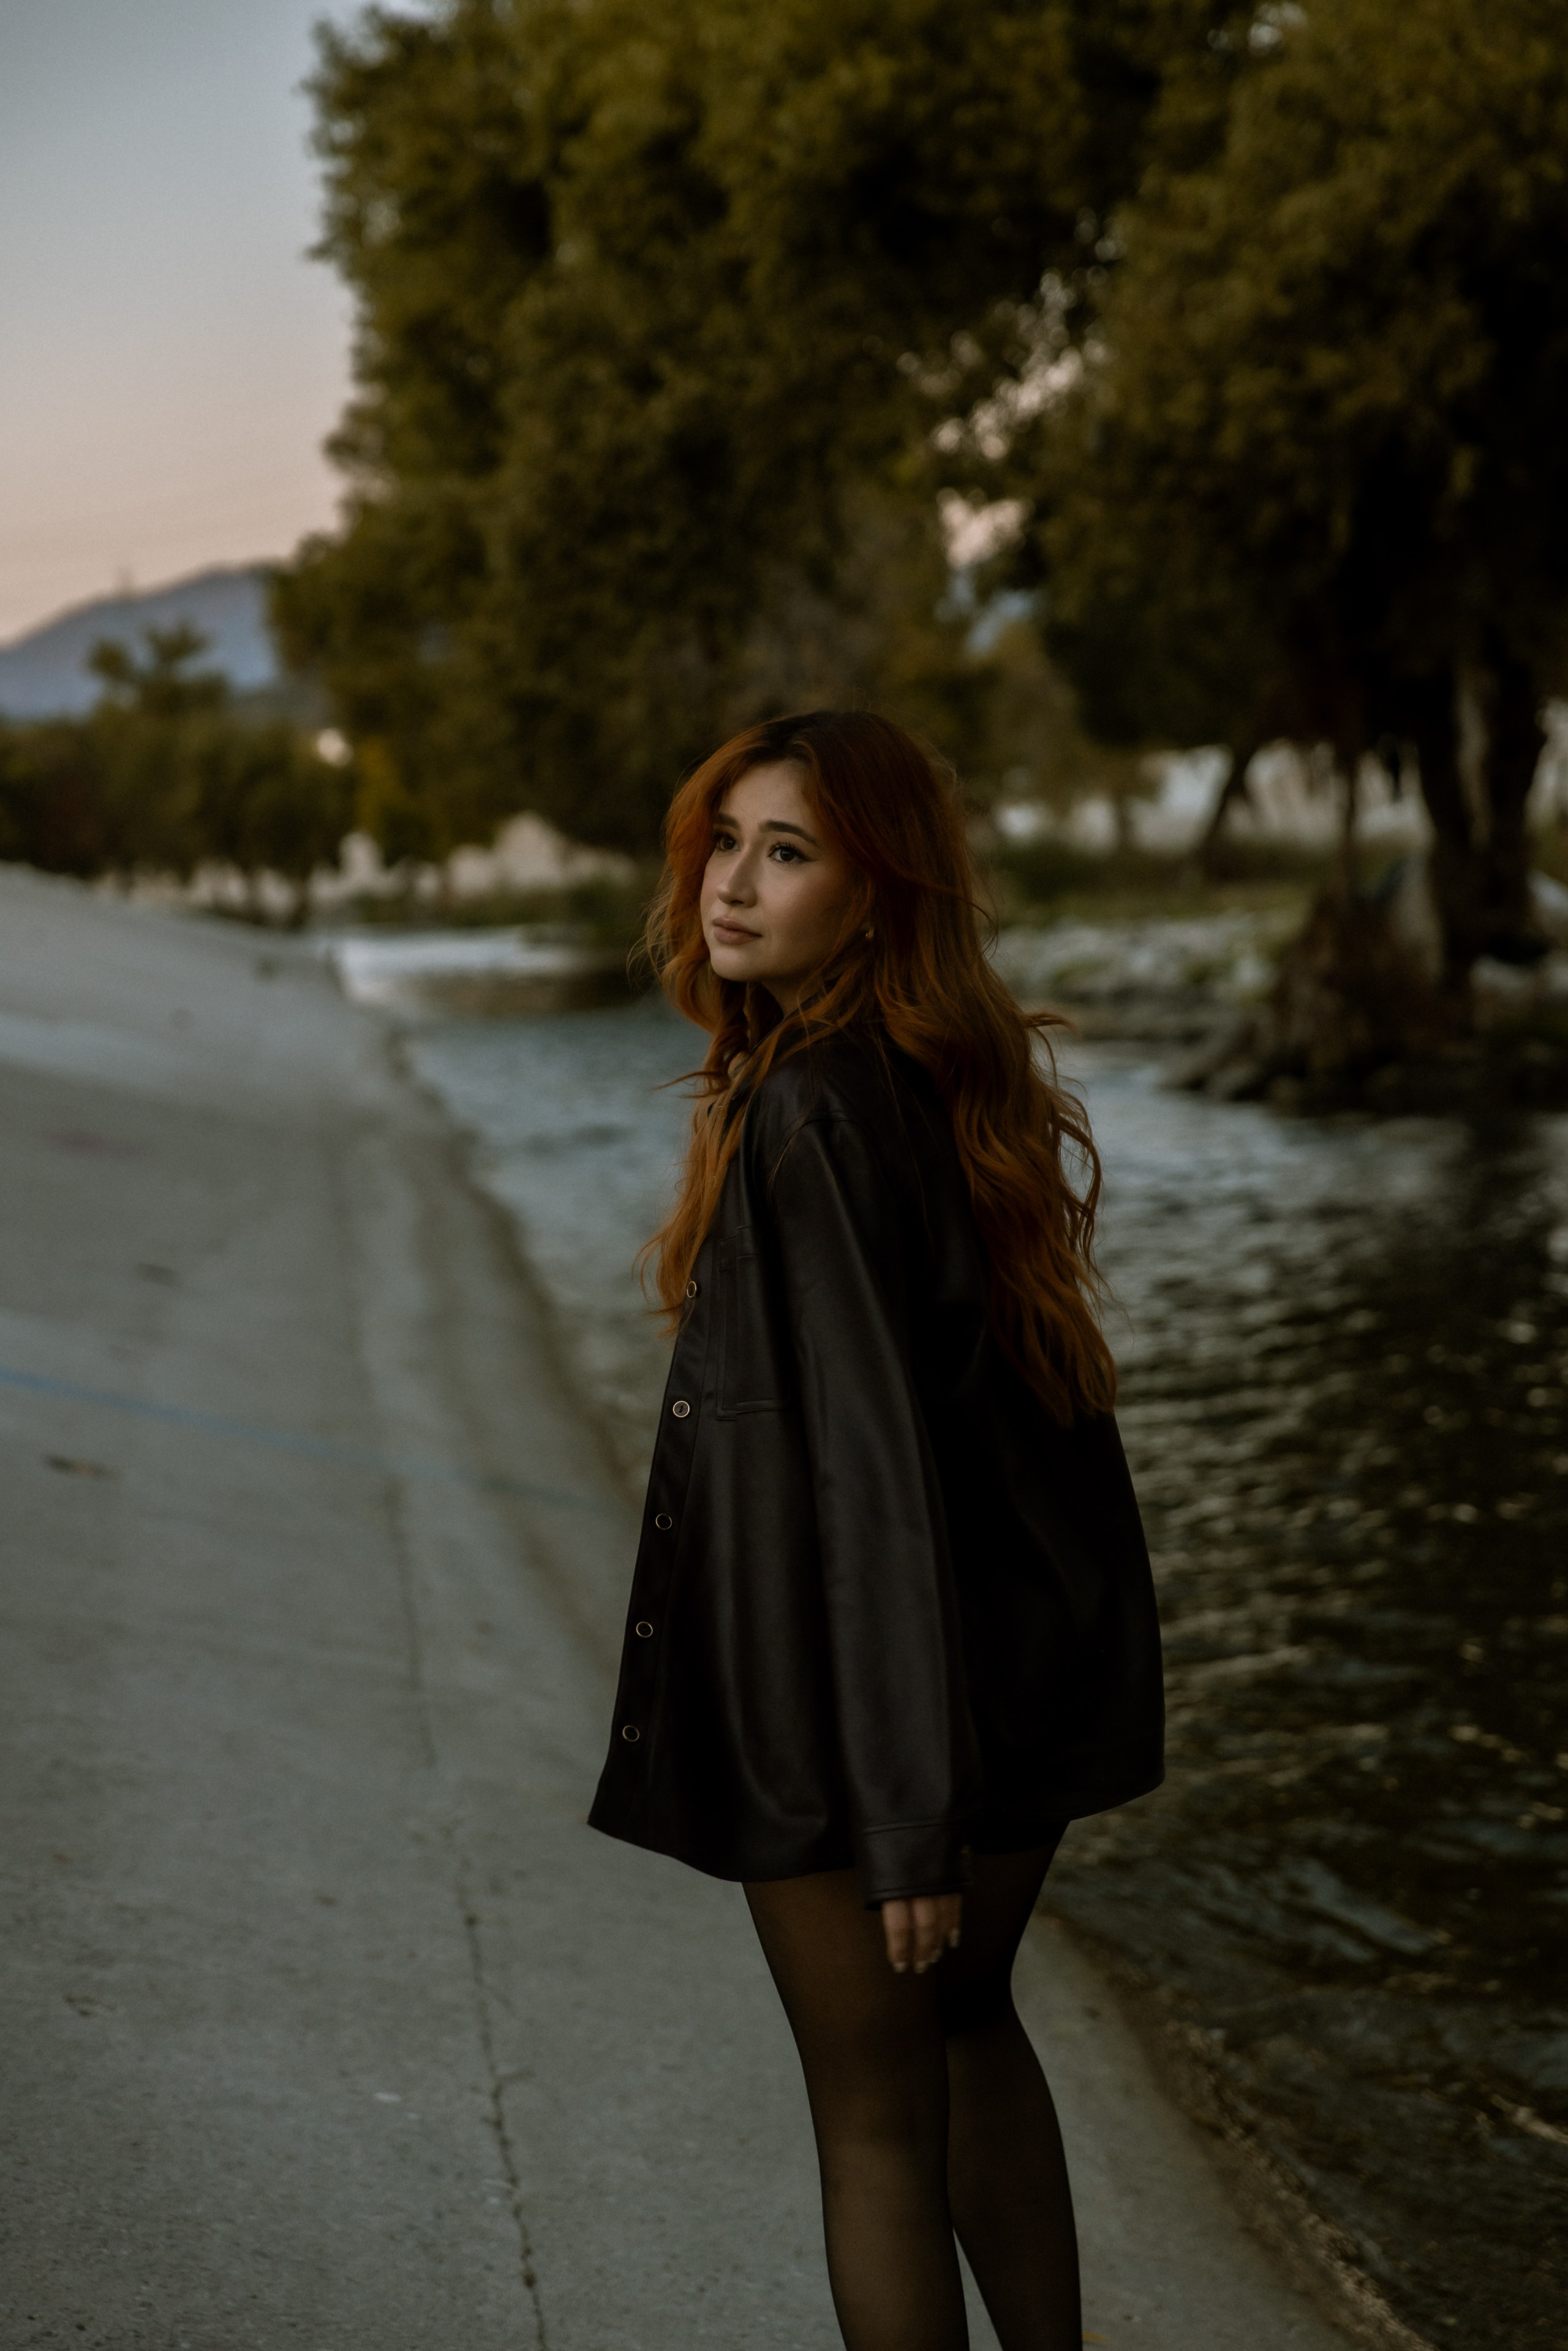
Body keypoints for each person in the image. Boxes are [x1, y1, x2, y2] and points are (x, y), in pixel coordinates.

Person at [590, 710, 1164, 2351]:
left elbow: (865, 1472)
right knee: (971, 2026)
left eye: (791, 852)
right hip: (1010, 1660)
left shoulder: (814, 1116)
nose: (734, 885)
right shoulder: (931, 1083)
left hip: (875, 1710)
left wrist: (908, 1814)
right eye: (726, 842)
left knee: (873, 2120)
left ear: (878, 894)